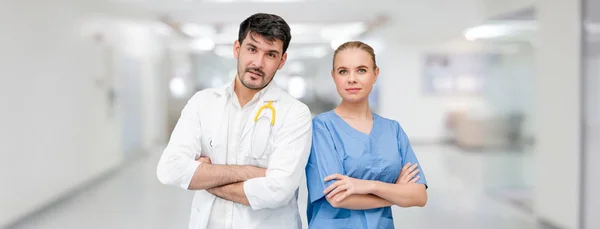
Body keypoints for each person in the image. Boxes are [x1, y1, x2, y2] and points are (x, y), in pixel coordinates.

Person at [156, 13, 312, 229]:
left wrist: (206, 180)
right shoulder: (202, 103)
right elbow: (170, 170)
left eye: (271, 54)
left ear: (282, 61)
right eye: (252, 49)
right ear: (237, 49)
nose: (258, 62)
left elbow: (278, 191)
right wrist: (248, 172)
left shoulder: (295, 113)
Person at [305, 41, 428, 229]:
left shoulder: (392, 130)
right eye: (343, 71)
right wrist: (396, 193)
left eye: (361, 70)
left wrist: (369, 186)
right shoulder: (322, 128)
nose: (351, 79)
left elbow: (419, 196)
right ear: (334, 76)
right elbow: (337, 197)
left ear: (375, 74)